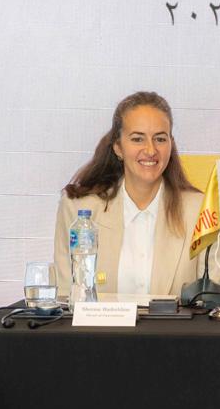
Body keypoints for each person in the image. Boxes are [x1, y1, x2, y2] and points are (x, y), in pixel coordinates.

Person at [53, 91, 209, 299]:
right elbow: (66, 298)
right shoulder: (78, 207)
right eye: (137, 139)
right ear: (118, 147)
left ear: (171, 145)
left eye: (160, 139)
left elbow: (212, 302)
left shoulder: (200, 209)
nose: (150, 150)